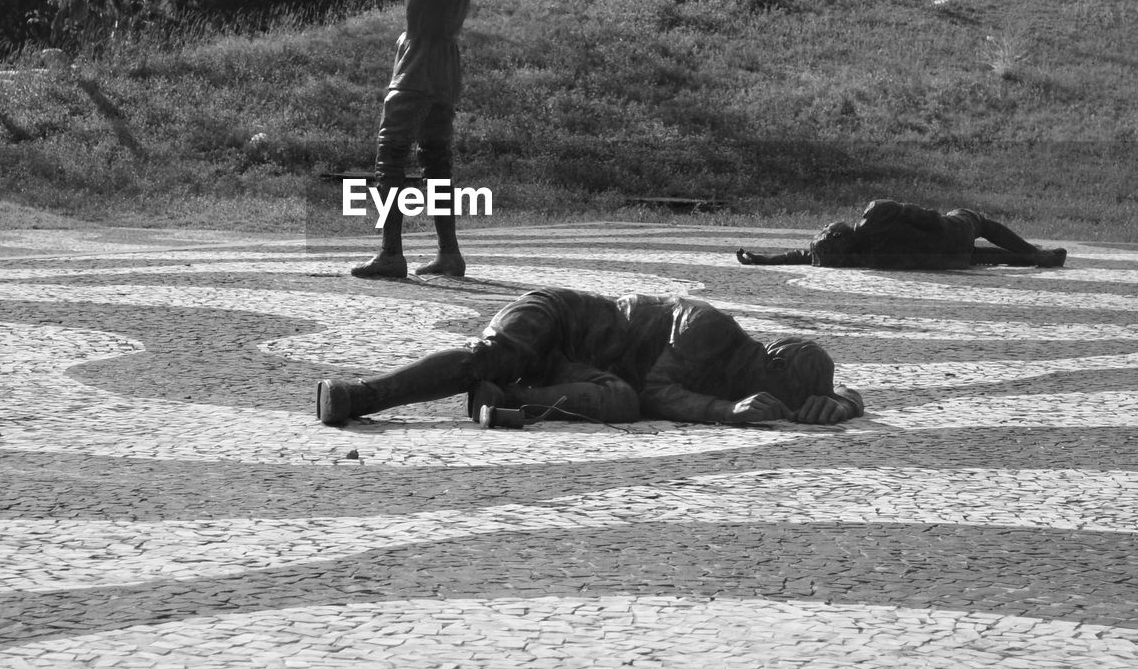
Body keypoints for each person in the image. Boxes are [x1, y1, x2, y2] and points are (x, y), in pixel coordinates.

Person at [316, 286, 864, 428]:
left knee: (618, 400)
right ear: (771, 364)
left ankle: (505, 401)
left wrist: (839, 401)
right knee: (488, 357)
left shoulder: (755, 368)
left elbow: (841, 390)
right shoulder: (710, 328)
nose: (776, 405)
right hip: (554, 321)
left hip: (578, 370)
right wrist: (729, 413)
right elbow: (659, 392)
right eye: (784, 395)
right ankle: (359, 395)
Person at [351, 0, 496, 280]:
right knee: (437, 161)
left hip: (415, 69)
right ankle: (449, 253)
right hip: (445, 72)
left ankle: (391, 253)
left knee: (391, 156)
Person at [736, 198, 1067, 270]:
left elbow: (807, 256)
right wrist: (942, 224)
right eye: (826, 230)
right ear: (839, 233)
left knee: (976, 256)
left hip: (950, 260)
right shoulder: (875, 212)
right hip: (950, 237)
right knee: (979, 222)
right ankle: (1035, 254)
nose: (826, 226)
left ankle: (1027, 257)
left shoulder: (854, 257)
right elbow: (928, 218)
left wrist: (765, 260)